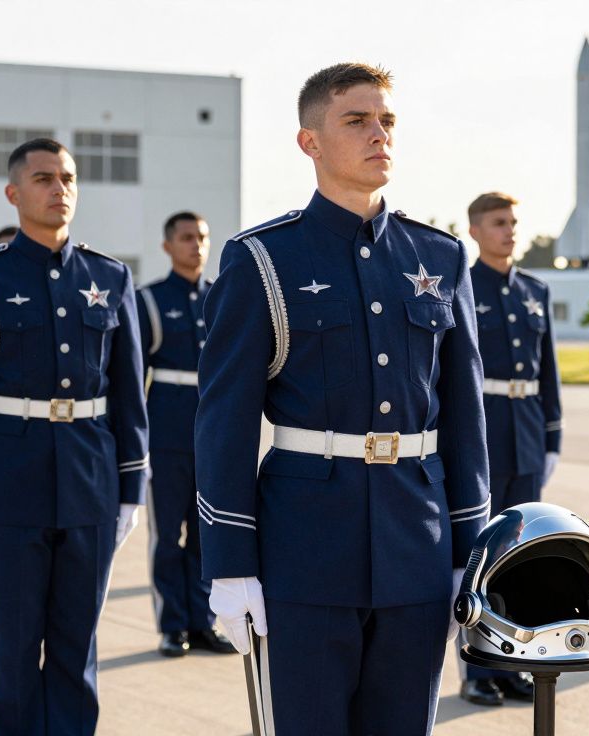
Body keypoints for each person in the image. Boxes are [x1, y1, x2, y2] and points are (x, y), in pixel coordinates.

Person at [195, 63, 489, 735]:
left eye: (387, 120)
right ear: (311, 142)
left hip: (416, 543)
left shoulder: (440, 257)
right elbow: (225, 424)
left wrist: (467, 551)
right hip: (304, 551)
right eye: (356, 120)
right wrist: (231, 565)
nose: (378, 134)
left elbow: (465, 415)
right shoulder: (263, 259)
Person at [0, 138, 149, 735]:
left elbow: (130, 389)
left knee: (78, 647)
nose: (60, 190)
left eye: (69, 179)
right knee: (15, 647)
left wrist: (132, 486)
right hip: (9, 484)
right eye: (45, 179)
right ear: (14, 193)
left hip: (90, 480)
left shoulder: (110, 275)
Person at [457, 191, 561, 705]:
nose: (509, 231)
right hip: (482, 430)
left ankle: (512, 663)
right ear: (475, 230)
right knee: (481, 558)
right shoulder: (461, 286)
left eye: (514, 222)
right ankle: (477, 671)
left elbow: (549, 372)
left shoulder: (534, 290)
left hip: (524, 431)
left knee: (522, 559)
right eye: (499, 223)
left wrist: (553, 435)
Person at [136, 211, 236, 658]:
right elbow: (134, 376)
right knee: (166, 537)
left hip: (213, 437)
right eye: (186, 237)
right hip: (166, 436)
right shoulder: (150, 300)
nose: (196, 245)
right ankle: (172, 624)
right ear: (167, 245)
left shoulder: (223, 297)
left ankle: (203, 621)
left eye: (202, 237)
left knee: (206, 535)